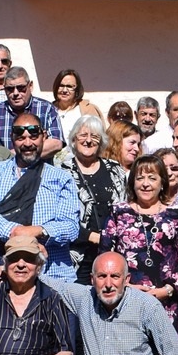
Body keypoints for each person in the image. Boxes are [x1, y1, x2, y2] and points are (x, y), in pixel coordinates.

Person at [0, 112, 81, 285]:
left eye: (33, 136)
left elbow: (70, 226)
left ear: (43, 136)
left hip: (52, 275)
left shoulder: (61, 177)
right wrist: (17, 233)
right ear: (12, 139)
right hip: (1, 274)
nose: (27, 143)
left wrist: (39, 231)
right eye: (21, 138)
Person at [100, 155, 178, 342]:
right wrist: (126, 288)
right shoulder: (118, 212)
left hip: (166, 302)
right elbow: (105, 256)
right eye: (140, 178)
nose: (145, 184)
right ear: (132, 182)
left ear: (162, 183)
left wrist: (166, 291)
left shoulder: (176, 214)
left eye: (152, 178)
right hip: (125, 300)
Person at [57, 115, 121, 284]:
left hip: (111, 254)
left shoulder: (115, 169)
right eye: (83, 135)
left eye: (95, 136)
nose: (88, 140)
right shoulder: (60, 172)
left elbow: (125, 209)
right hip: (75, 256)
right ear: (73, 139)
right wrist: (91, 236)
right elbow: (57, 216)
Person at [0, 66, 64, 155]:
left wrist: (15, 156)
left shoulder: (46, 109)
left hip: (39, 167)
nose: (15, 93)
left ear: (30, 86)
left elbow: (56, 143)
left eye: (21, 88)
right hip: (6, 168)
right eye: (10, 89)